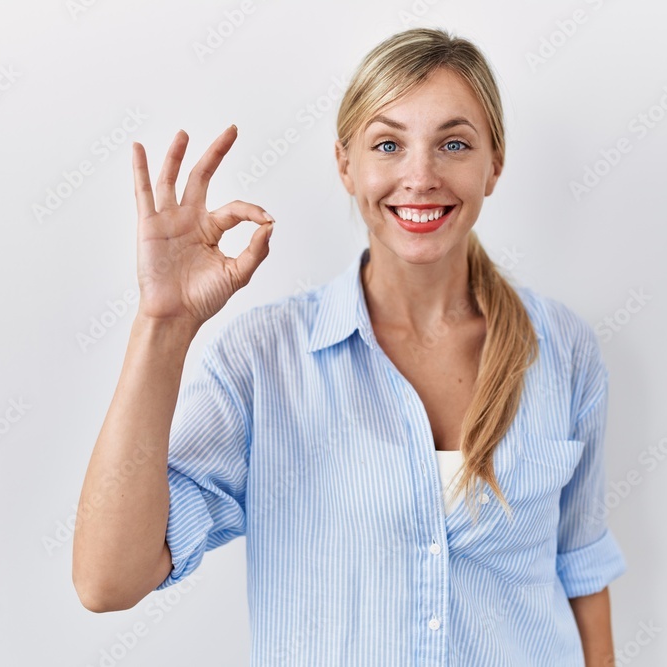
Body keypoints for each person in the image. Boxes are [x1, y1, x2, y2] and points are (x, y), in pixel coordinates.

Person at [73, 26, 627, 666]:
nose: (420, 177)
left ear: (493, 165)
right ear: (345, 165)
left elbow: (580, 566)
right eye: (388, 144)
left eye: (453, 144)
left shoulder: (561, 348)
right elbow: (107, 581)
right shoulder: (266, 360)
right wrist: (163, 326)